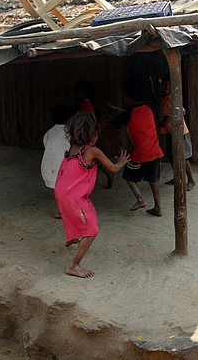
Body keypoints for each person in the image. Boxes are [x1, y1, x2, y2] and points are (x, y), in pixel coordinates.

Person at [54, 112, 129, 278]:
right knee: (91, 229)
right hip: (74, 197)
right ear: (94, 134)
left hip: (61, 192)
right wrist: (121, 162)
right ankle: (73, 265)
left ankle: (71, 237)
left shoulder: (73, 148)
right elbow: (113, 169)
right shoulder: (92, 151)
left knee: (74, 215)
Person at [102, 80, 165, 217]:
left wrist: (105, 123)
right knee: (154, 180)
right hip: (156, 152)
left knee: (129, 176)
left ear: (128, 99)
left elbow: (109, 125)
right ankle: (158, 208)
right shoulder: (148, 108)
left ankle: (140, 199)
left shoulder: (127, 114)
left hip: (141, 155)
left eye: (124, 96)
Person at [71, 79, 114, 189]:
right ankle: (108, 172)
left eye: (80, 92)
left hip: (85, 134)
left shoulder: (85, 106)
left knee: (86, 156)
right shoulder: (85, 104)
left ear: (86, 93)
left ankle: (108, 171)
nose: (77, 94)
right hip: (86, 134)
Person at [158, 74, 196, 191]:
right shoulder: (165, 99)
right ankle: (177, 177)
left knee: (183, 158)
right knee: (172, 157)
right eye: (164, 85)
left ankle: (191, 180)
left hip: (180, 133)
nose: (166, 87)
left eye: (169, 85)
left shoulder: (173, 98)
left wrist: (167, 119)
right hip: (171, 133)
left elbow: (181, 112)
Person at [41, 103, 71, 219]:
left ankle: (61, 208)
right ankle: (63, 210)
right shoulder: (69, 131)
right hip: (62, 166)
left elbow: (45, 144)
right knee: (67, 188)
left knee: (58, 189)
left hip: (48, 167)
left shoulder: (49, 132)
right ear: (69, 118)